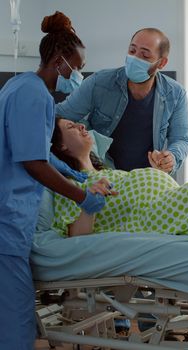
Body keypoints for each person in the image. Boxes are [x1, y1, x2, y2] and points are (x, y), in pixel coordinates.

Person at [0, 11, 111, 350]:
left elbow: (34, 150)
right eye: (76, 67)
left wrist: (76, 172)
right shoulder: (33, 95)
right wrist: (82, 197)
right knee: (17, 320)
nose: (78, 75)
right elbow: (32, 161)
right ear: (60, 62)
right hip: (8, 219)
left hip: (12, 213)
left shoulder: (22, 86)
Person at [55, 27, 188, 175]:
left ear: (161, 63)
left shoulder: (176, 94)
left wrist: (171, 157)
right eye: (132, 51)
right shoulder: (99, 83)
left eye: (145, 55)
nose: (135, 59)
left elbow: (182, 139)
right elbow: (60, 115)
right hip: (104, 175)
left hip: (147, 179)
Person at [51, 118, 188, 237]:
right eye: (71, 127)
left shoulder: (109, 172)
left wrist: (158, 173)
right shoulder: (70, 185)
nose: (81, 126)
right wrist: (89, 205)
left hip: (169, 199)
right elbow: (75, 234)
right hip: (150, 215)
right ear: (61, 145)